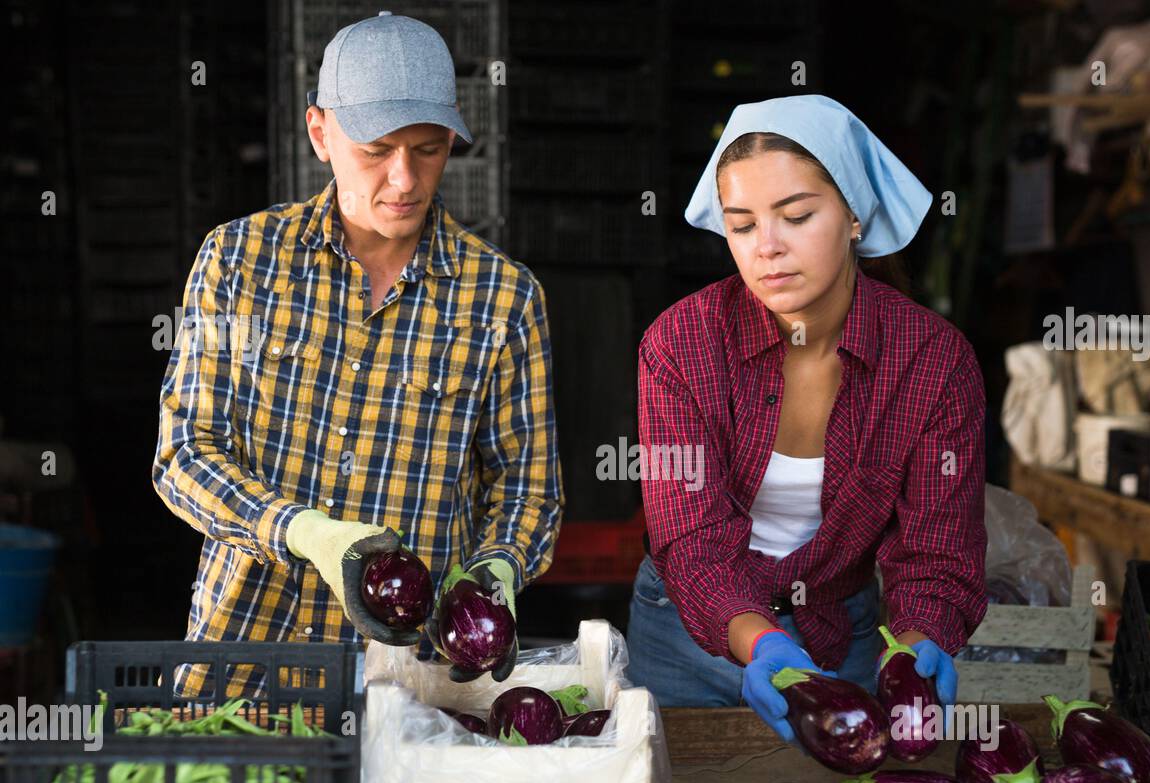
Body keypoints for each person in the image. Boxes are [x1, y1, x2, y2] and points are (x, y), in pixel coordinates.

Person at [153, 12, 562, 697]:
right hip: (245, 665)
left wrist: (496, 569)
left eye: (428, 149)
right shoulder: (237, 262)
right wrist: (303, 531)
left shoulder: (504, 298)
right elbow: (183, 452)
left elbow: (526, 489)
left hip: (414, 685)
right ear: (320, 133)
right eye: (376, 149)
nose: (404, 179)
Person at [628, 95, 986, 742]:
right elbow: (690, 538)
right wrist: (761, 642)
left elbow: (936, 553)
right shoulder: (679, 347)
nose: (767, 247)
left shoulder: (934, 363)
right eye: (741, 226)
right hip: (684, 632)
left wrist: (917, 640)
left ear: (853, 214)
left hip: (841, 636)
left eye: (796, 216)